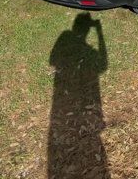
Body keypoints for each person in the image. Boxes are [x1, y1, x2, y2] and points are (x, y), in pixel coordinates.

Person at [48, 13, 109, 178]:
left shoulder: (66, 36)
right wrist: (100, 33)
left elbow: (52, 60)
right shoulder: (68, 37)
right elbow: (103, 64)